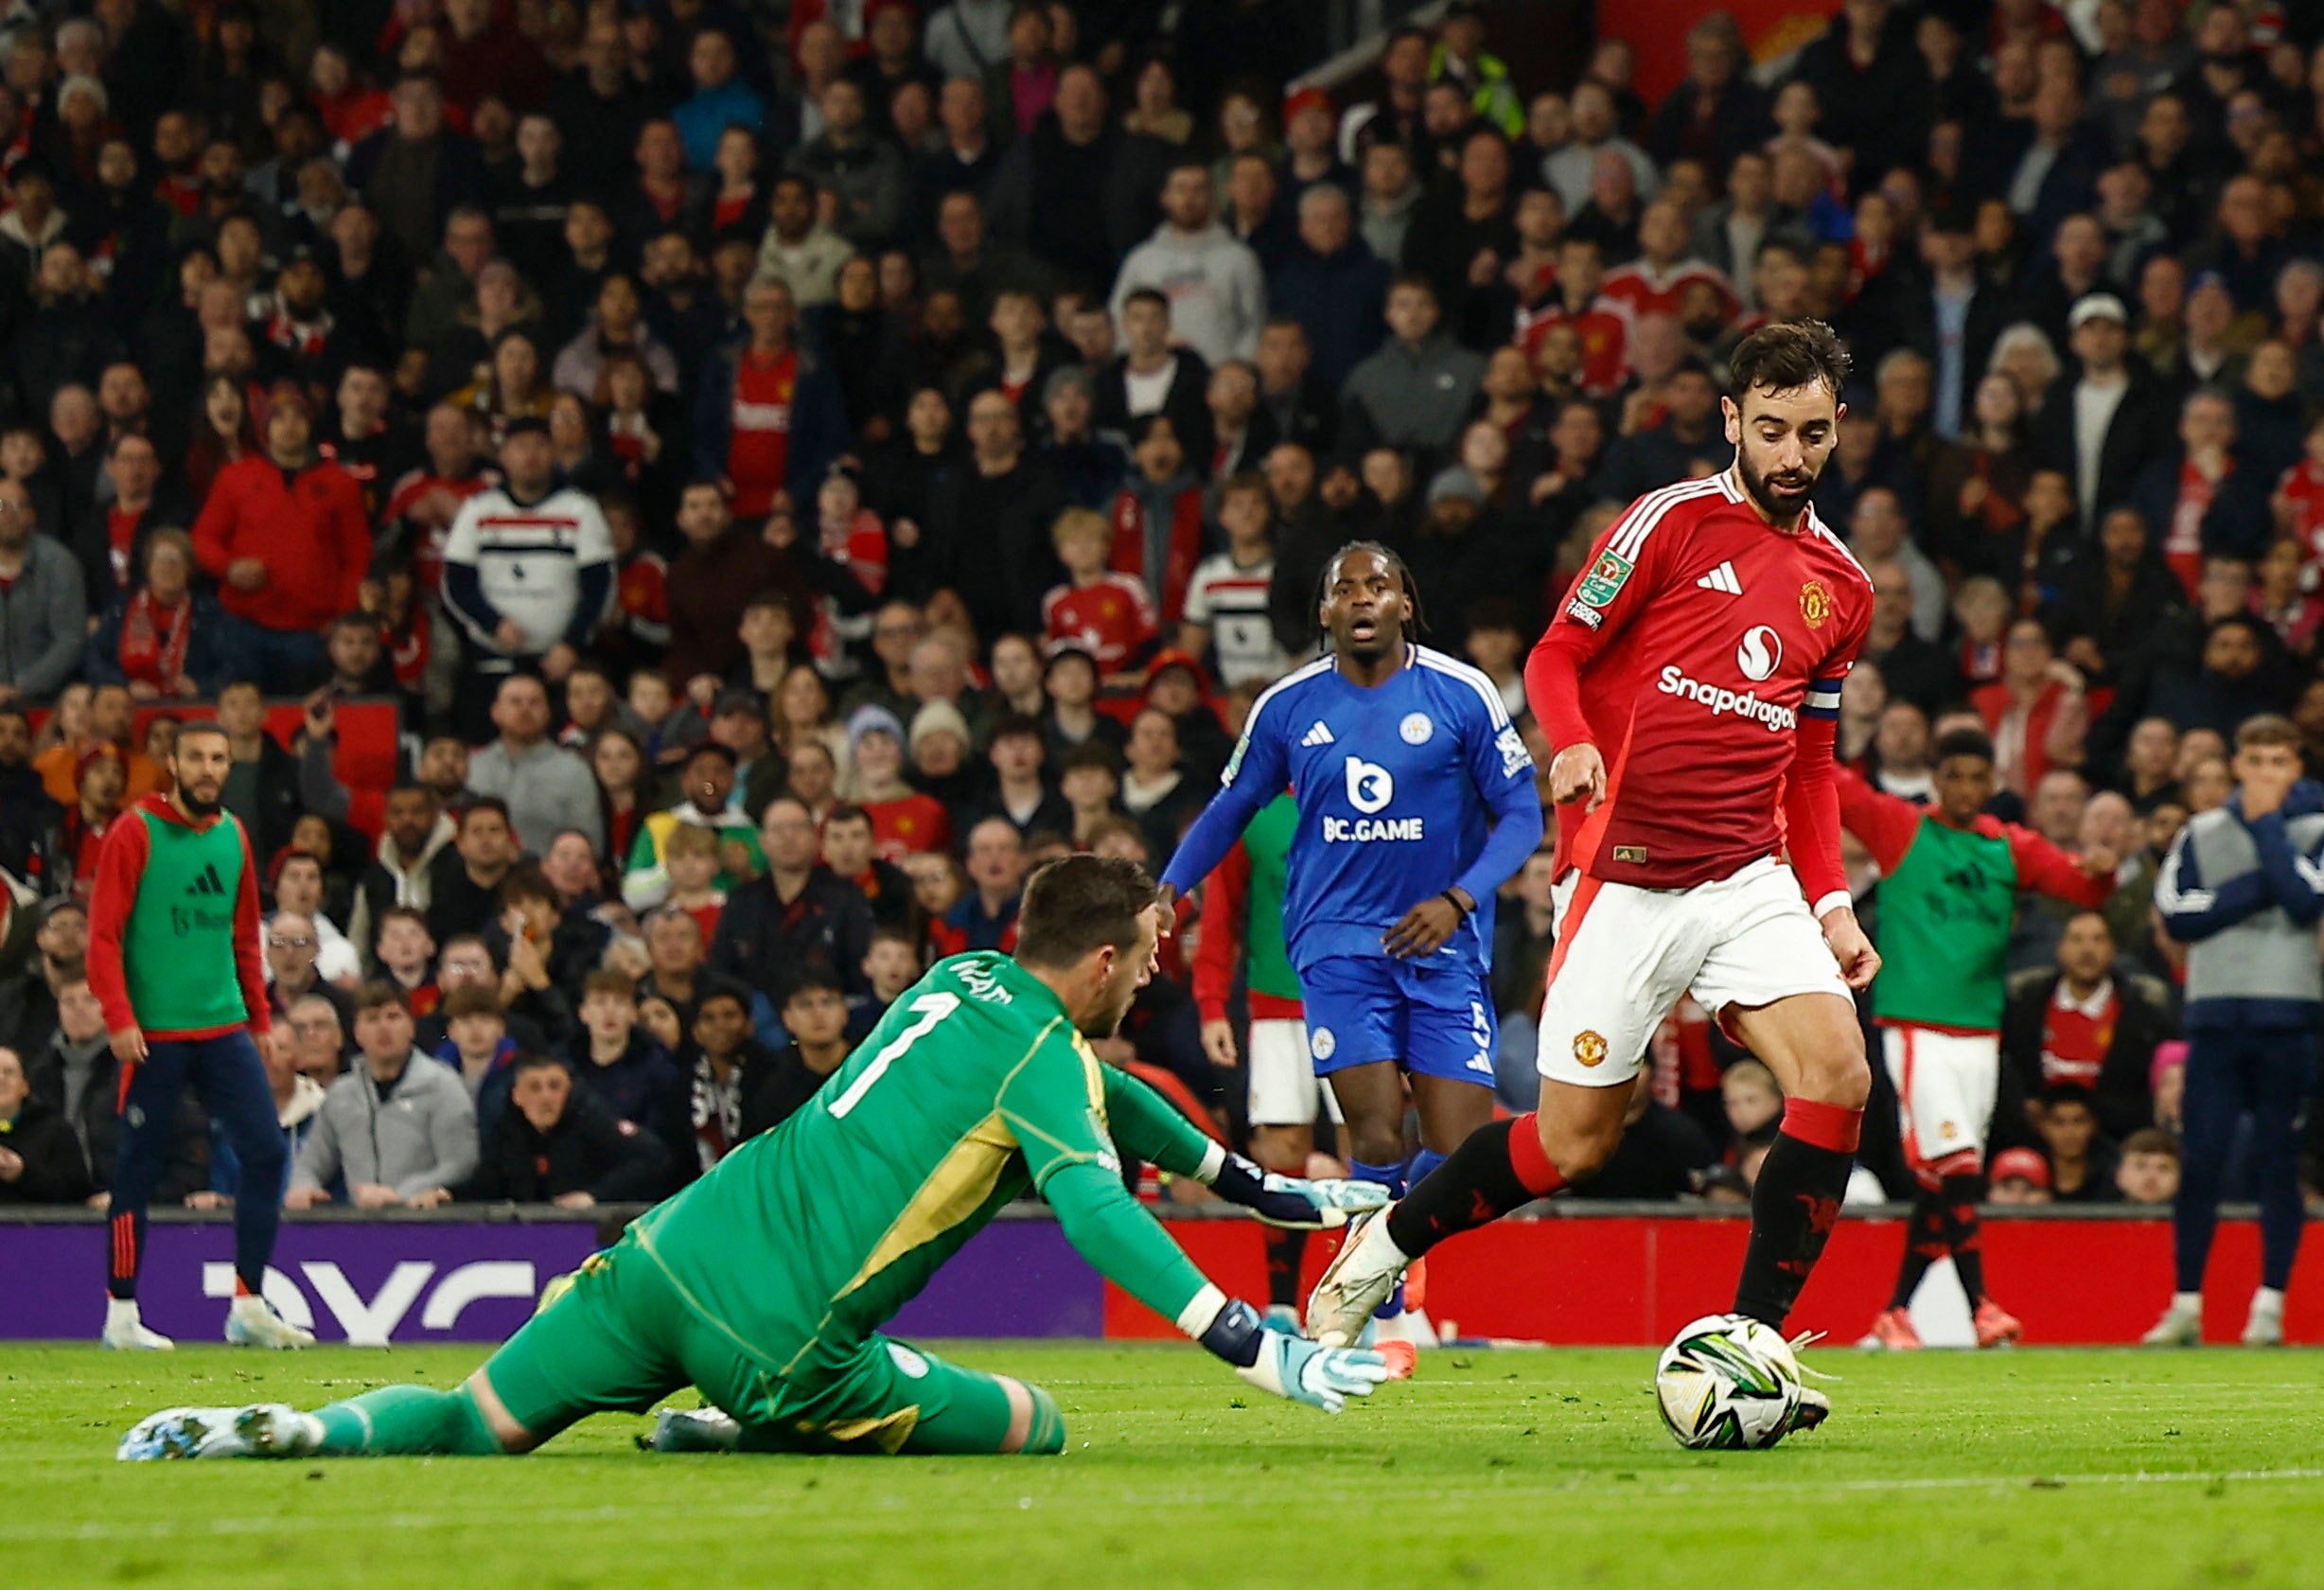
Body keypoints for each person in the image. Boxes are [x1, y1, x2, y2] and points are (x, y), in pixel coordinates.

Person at [120, 856, 1392, 1463]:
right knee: (1036, 1424)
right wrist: (1251, 1343)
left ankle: (290, 1429)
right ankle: (745, 1431)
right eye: (1155, 950)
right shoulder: (1046, 1065)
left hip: (672, 1250)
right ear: (1105, 962)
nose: (1163, 969)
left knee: (471, 1422)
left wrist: (1271, 1192)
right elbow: (1101, 1211)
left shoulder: (963, 983)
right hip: (782, 1339)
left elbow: (1118, 1103)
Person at [1309, 322, 1875, 1415]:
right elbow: (1555, 651)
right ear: (1731, 422)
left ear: (1835, 428)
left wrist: (1833, 903)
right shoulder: (1668, 522)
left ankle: (1753, 1342)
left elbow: (1808, 760)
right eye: (1769, 430)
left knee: (1837, 1073)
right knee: (1571, 1142)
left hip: (1744, 878)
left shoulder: (1839, 587)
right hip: (1620, 877)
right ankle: (1383, 1241)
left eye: (1810, 433)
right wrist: (1564, 737)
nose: (1790, 454)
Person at [1160, 542, 1542, 1343]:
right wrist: (1169, 887)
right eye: (1346, 589)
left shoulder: (1461, 695)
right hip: (1336, 946)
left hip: (1443, 944)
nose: (1364, 599)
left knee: (1465, 1147)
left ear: (1406, 603)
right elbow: (1230, 809)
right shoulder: (1288, 707)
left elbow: (1522, 815)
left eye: (1381, 586)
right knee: (1372, 1133)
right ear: (1325, 612)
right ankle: (1379, 1310)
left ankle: (1392, 1250)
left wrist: (1459, 898)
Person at [1836, 730, 2117, 1352]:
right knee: (1959, 1162)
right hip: (1916, 1026)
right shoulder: (1901, 828)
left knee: (1946, 1179)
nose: (1964, 789)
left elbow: (2081, 889)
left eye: (1976, 777)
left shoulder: (2008, 848)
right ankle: (1982, 1308)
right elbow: (1835, 786)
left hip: (1980, 1034)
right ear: (1936, 779)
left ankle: (1896, 1313)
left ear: (1993, 783)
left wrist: (2104, 871)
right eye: (1953, 776)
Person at [82, 720, 311, 1350]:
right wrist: (120, 1019)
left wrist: (260, 1020)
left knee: (266, 1153)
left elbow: (243, 936)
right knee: (137, 1169)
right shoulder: (136, 831)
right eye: (197, 758)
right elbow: (102, 936)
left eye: (219, 757)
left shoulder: (233, 834)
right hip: (154, 1034)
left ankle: (248, 1305)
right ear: (173, 765)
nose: (210, 768)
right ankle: (121, 1316)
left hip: (223, 1029)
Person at [2146, 714, 2324, 1347]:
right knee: (2201, 1160)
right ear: (2238, 764)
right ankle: (2187, 1305)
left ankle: (2269, 1306)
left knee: (2280, 1162)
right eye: (2257, 762)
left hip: (2289, 1014)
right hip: (2216, 1018)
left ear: (2296, 768)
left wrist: (2268, 827)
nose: (2267, 774)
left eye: (2281, 762)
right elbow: (2176, 914)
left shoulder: (2316, 827)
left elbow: (2309, 899)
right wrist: (2260, 886)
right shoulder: (2200, 831)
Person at [1188, 787, 1339, 1330]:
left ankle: (1375, 1305)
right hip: (1276, 1003)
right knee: (1282, 1148)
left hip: (1358, 996)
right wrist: (1211, 1004)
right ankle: (1281, 1305)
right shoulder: (1256, 810)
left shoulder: (1368, 789)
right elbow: (1221, 913)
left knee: (1369, 1144)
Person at [440, 417, 615, 720]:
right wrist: (493, 624)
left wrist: (571, 644)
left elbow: (599, 586)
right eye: (521, 447)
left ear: (554, 453)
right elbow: (457, 582)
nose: (530, 456)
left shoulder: (581, 509)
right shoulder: (478, 510)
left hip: (561, 666)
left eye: (540, 446)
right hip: (492, 662)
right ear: (503, 456)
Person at [287, 981, 479, 1211]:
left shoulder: (442, 1087)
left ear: (411, 1027)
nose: (383, 1027)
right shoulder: (341, 1094)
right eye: (372, 1018)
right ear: (357, 1032)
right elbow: (310, 1162)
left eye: (393, 1017)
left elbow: (460, 1163)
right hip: (359, 1229)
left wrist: (400, 1194)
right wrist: (303, 1187)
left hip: (426, 1222)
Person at [463, 1051, 670, 1206]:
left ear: (568, 1089)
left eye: (555, 1086)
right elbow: (488, 1182)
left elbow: (653, 1157)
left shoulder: (591, 1119)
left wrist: (595, 1195)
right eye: (535, 1088)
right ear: (517, 1096)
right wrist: (450, 1195)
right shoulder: (507, 1129)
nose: (546, 1097)